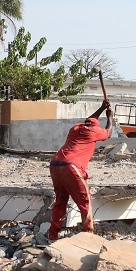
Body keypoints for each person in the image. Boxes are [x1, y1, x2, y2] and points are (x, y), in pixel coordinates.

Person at [48, 99, 113, 240]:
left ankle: (52, 234)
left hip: (55, 164)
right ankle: (88, 235)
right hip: (71, 166)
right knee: (85, 201)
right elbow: (108, 132)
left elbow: (89, 120)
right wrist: (110, 117)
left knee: (60, 200)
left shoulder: (75, 128)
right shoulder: (93, 131)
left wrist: (101, 108)